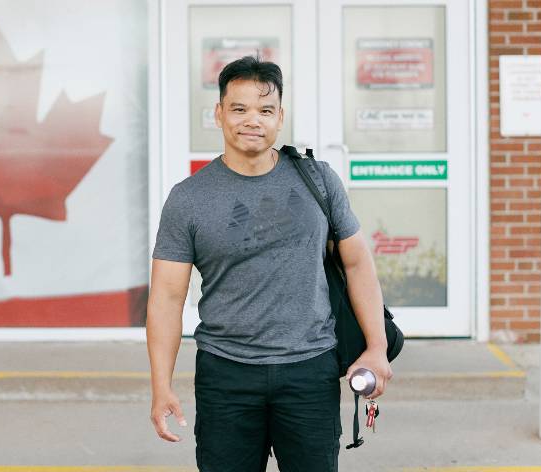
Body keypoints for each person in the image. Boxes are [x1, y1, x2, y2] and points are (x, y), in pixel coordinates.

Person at [146, 55, 392, 472]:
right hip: (226, 375)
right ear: (219, 114)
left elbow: (357, 265)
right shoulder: (188, 199)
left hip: (309, 370)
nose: (252, 121)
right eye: (239, 109)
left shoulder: (319, 179)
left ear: (280, 117)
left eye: (265, 110)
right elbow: (167, 298)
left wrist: (377, 348)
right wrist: (161, 385)